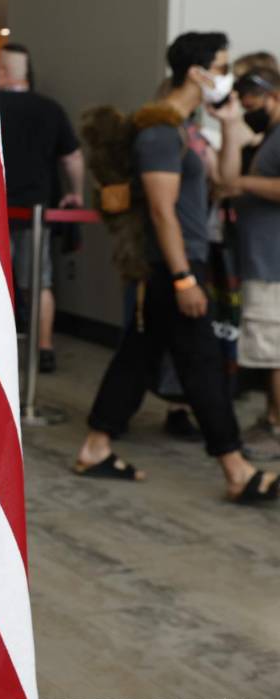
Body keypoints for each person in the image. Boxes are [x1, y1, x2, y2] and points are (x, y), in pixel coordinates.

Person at [74, 31, 277, 504]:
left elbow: (225, 183)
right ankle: (236, 468)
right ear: (197, 72)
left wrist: (228, 125)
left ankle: (96, 446)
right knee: (202, 364)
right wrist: (184, 277)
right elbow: (162, 212)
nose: (227, 78)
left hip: (185, 261)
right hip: (172, 266)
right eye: (222, 67)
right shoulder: (160, 133)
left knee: (138, 356)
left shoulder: (185, 130)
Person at [0, 43, 85, 374]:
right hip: (36, 211)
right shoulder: (51, 109)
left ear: (3, 72)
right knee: (39, 283)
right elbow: (73, 158)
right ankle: (44, 347)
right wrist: (76, 193)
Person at [219, 68, 280, 452]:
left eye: (251, 100)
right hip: (261, 257)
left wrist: (242, 184)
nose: (245, 107)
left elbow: (232, 182)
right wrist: (228, 127)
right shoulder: (267, 137)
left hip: (272, 262)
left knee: (275, 352)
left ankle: (275, 426)